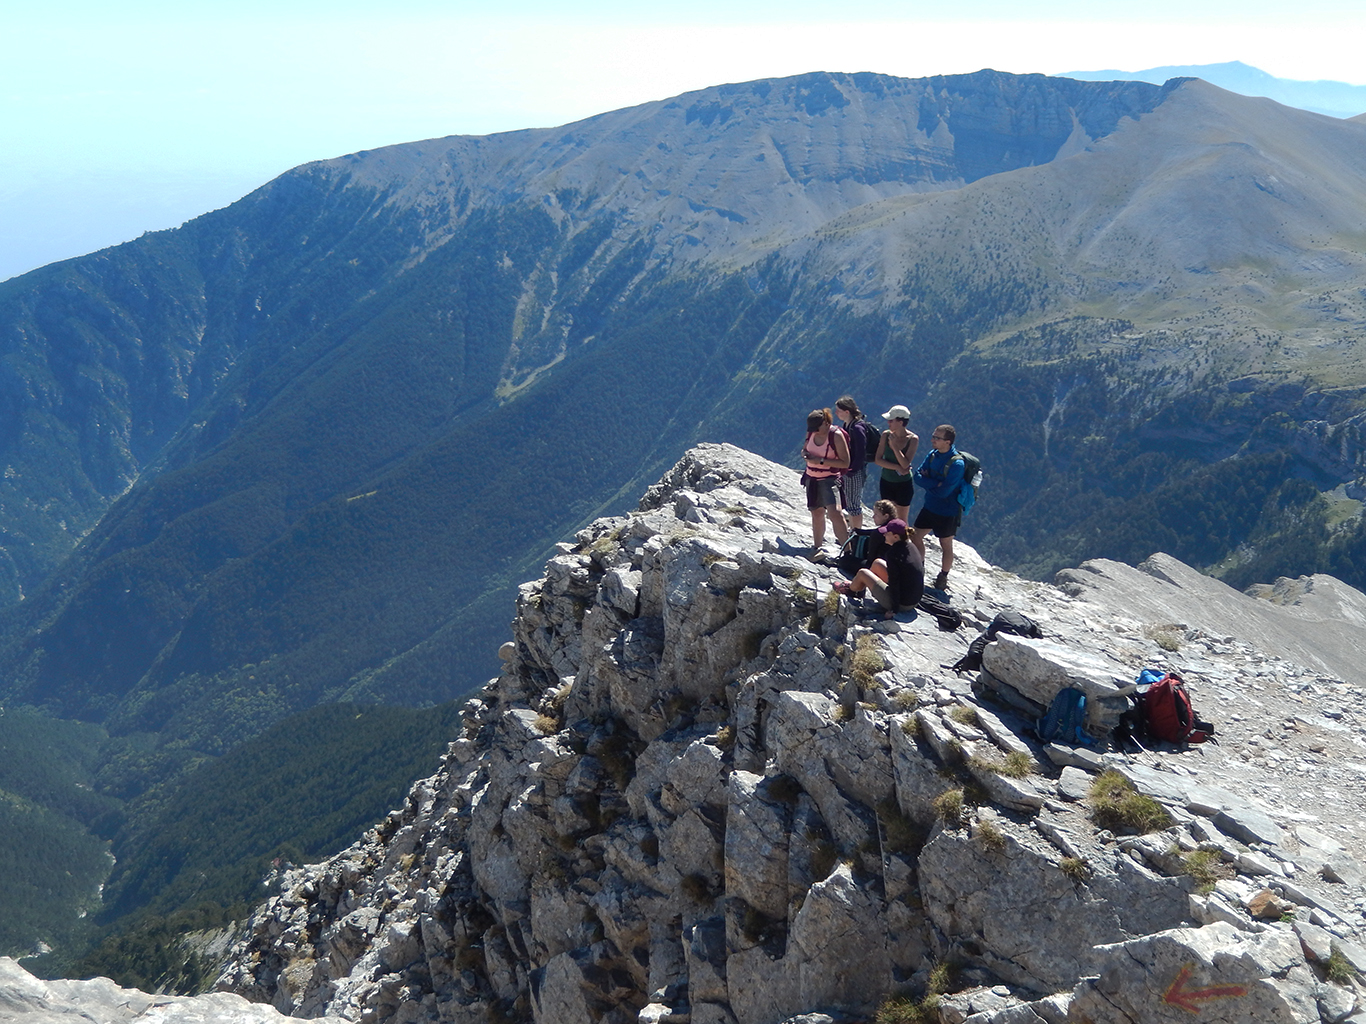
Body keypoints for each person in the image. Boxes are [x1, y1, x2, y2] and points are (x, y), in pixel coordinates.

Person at [833, 518, 924, 617]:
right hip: (913, 599)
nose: (884, 535)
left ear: (895, 536)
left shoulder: (893, 554)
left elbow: (895, 581)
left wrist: (894, 610)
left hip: (902, 604)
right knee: (877, 563)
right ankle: (859, 588)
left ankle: (850, 590)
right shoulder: (911, 547)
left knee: (863, 573)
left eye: (887, 533)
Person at [912, 424, 965, 592]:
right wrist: (936, 483)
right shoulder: (933, 455)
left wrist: (929, 483)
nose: (932, 440)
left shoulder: (957, 464)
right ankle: (919, 568)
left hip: (947, 511)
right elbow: (917, 477)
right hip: (930, 506)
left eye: (937, 438)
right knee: (914, 536)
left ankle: (943, 576)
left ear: (948, 442)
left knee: (946, 545)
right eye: (933, 436)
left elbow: (944, 492)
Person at [801, 408, 850, 551]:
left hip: (830, 479)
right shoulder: (811, 432)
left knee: (835, 513)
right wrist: (805, 454)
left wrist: (820, 461)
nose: (814, 431)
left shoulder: (836, 436)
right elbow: (804, 448)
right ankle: (817, 547)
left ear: (826, 423)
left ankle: (847, 550)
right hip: (812, 478)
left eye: (817, 427)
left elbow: (845, 462)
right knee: (816, 512)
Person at [834, 396, 878, 529]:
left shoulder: (857, 428)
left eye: (839, 410)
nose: (836, 413)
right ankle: (852, 531)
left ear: (847, 412)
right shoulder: (848, 425)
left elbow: (860, 453)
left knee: (853, 505)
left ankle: (856, 534)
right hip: (848, 469)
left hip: (854, 471)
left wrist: (851, 470)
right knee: (849, 502)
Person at [873, 405, 918, 522]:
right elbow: (878, 460)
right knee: (887, 517)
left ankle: (902, 540)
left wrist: (894, 447)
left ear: (900, 422)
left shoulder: (912, 439)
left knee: (902, 519)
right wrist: (897, 467)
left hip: (903, 484)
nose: (888, 423)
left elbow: (905, 464)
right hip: (886, 482)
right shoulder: (885, 435)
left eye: (891, 420)